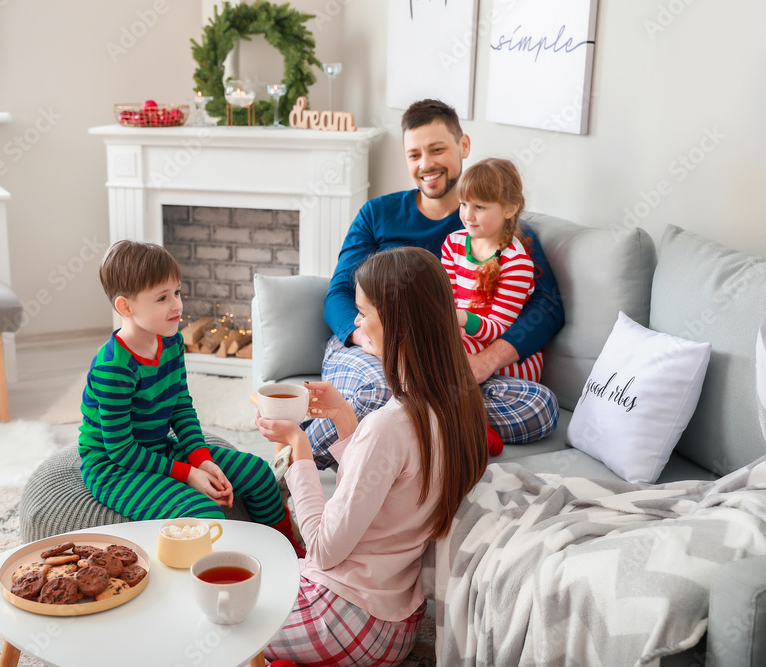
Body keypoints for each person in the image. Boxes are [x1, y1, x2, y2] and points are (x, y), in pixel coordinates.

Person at [258, 246, 489, 667]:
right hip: (396, 623)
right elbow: (387, 486)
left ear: (397, 322)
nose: (357, 324)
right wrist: (346, 417)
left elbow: (324, 549)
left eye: (363, 313)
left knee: (214, 621)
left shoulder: (390, 426)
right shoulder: (455, 403)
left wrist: (300, 452)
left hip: (343, 618)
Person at [308, 99, 563, 469]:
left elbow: (547, 307)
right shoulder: (377, 214)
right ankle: (300, 458)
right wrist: (369, 341)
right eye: (414, 154)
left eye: (437, 149)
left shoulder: (498, 230)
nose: (425, 164)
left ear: (464, 147)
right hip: (371, 353)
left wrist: (485, 362)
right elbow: (339, 294)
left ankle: (413, 426)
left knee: (540, 407)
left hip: (448, 366)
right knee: (381, 389)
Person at [78, 240, 303, 556]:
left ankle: (290, 553)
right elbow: (121, 450)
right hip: (114, 467)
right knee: (205, 514)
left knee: (259, 473)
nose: (177, 306)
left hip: (157, 449)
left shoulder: (171, 343)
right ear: (125, 307)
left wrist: (202, 460)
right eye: (162, 298)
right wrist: (188, 474)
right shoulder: (113, 368)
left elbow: (181, 406)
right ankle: (229, 566)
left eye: (177, 293)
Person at [443, 157, 544, 382]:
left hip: (508, 363)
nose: (467, 215)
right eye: (464, 204)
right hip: (463, 335)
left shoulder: (517, 264)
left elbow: (497, 329)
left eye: (479, 207)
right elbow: (446, 299)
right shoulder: (453, 244)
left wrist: (458, 319)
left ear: (510, 209)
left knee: (438, 353)